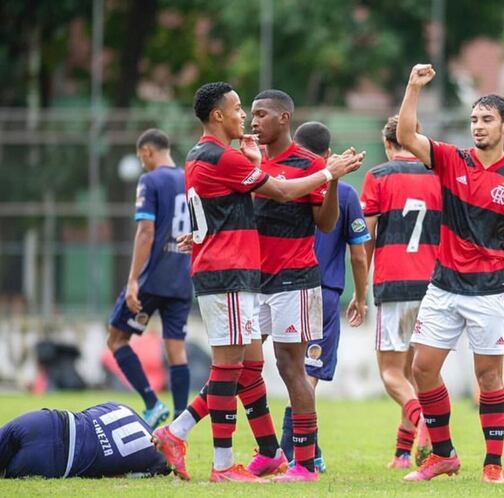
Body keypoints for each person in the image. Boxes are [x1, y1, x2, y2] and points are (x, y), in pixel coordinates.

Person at [149, 82, 363, 483]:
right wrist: (326, 172)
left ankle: (300, 461)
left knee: (285, 367)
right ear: (218, 115)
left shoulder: (299, 162)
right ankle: (250, 452)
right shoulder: (246, 160)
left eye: (260, 114)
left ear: (284, 119)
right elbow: (267, 193)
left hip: (292, 280)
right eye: (245, 111)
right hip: (243, 280)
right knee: (240, 368)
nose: (250, 119)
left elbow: (326, 223)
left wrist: (328, 179)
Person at [396, 64, 504, 484]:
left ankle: (493, 463)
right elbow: (406, 136)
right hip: (443, 285)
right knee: (422, 368)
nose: (478, 127)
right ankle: (443, 454)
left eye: (487, 120)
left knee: (488, 376)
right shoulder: (451, 160)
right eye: (474, 120)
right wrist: (413, 87)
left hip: (487, 290)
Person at [277, 121, 371, 473]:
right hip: (324, 294)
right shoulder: (344, 194)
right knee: (308, 376)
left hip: (282, 288)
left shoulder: (282, 185)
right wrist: (361, 297)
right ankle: (292, 450)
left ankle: (307, 450)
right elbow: (359, 255)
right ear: (329, 156)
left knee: (291, 372)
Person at [360, 115, 441, 469]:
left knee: (391, 372)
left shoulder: (378, 176)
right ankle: (402, 453)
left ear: (388, 144)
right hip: (435, 286)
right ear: (416, 137)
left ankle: (423, 420)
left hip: (394, 282)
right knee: (414, 375)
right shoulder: (439, 176)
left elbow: (366, 238)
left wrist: (360, 288)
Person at [106, 128, 192, 428]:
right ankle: (181, 423)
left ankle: (152, 403)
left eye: (142, 157)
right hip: (183, 278)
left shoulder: (151, 180)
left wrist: (132, 280)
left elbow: (145, 231)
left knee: (116, 339)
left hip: (152, 279)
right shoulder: (189, 178)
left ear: (146, 153)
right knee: (176, 349)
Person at [0, 401, 169, 478]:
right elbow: (122, 475)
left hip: (45, 422)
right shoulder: (157, 459)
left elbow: (88, 412)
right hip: (57, 460)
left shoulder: (122, 407)